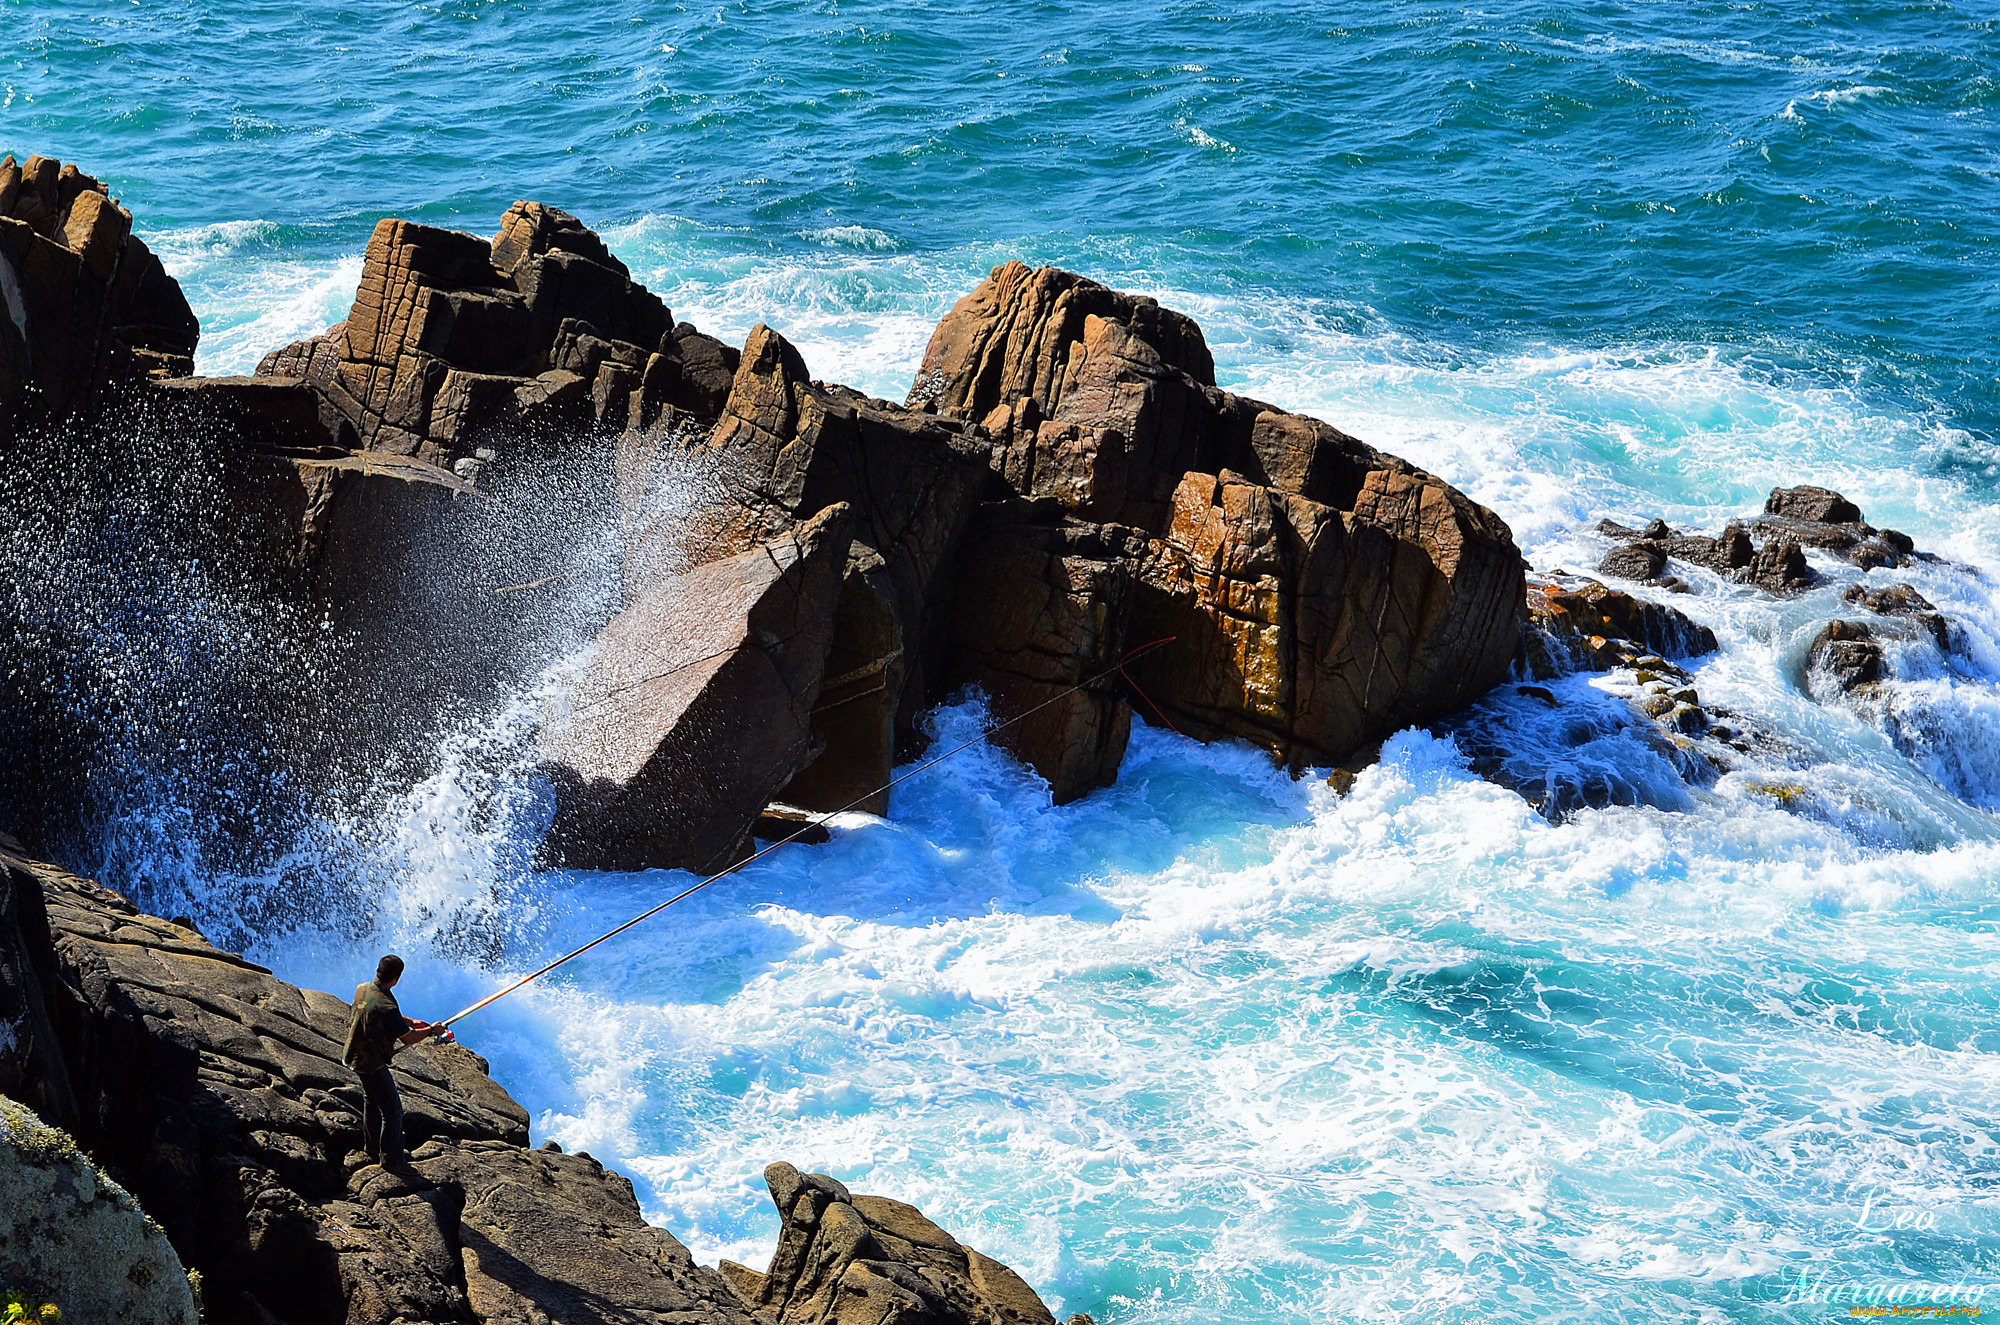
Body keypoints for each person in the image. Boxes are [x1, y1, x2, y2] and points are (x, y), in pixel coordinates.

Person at [342, 953, 446, 1166]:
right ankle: (392, 1160)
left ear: (378, 971)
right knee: (393, 1112)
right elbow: (409, 1039)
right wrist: (431, 1030)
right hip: (372, 1063)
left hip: (353, 1055)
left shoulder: (363, 987)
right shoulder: (387, 1006)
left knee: (371, 1101)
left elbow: (382, 1012)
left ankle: (371, 1147)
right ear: (397, 978)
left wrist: (411, 1020)